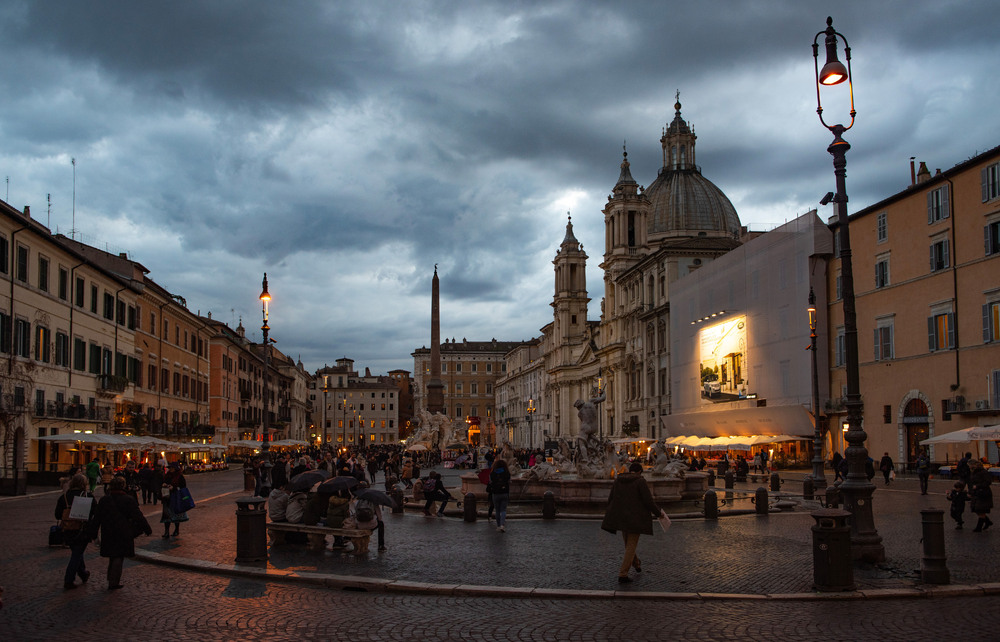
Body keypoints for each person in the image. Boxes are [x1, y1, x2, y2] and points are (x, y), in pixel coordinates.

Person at [601, 462, 663, 584]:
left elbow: (611, 498)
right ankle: (623, 574)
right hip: (636, 518)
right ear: (640, 471)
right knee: (631, 545)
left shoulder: (619, 480)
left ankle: (636, 564)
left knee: (628, 544)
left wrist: (611, 512)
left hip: (622, 517)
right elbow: (648, 501)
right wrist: (658, 513)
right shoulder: (640, 481)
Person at [89, 476, 152, 590]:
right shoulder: (128, 500)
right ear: (123, 486)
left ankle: (111, 578)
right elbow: (138, 516)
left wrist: (93, 533)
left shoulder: (104, 500)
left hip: (108, 531)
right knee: (118, 556)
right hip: (123, 531)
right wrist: (147, 528)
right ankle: (113, 582)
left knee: (113, 556)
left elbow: (97, 518)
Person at [54, 473, 94, 590]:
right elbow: (94, 512)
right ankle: (69, 579)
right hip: (82, 530)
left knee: (77, 552)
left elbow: (57, 514)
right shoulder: (87, 496)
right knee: (77, 554)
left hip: (67, 529)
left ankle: (83, 573)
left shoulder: (65, 497)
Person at [160, 462, 188, 538]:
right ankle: (166, 532)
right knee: (166, 516)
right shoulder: (167, 476)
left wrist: (174, 488)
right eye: (170, 468)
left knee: (176, 516)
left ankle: (176, 530)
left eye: (172, 468)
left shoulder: (180, 477)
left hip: (176, 498)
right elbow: (162, 483)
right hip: (167, 498)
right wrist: (164, 485)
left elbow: (183, 488)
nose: (171, 469)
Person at [969, 460, 994, 532]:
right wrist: (971, 491)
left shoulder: (983, 472)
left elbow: (988, 482)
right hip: (976, 493)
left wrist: (978, 486)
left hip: (983, 493)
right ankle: (987, 522)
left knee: (981, 509)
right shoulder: (973, 472)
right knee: (976, 509)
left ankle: (979, 527)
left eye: (969, 465)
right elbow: (971, 483)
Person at [490, 459, 512, 532]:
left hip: (495, 493)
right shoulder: (507, 473)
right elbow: (509, 481)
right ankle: (502, 525)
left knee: (497, 510)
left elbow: (490, 482)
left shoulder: (492, 473)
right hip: (504, 492)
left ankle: (498, 526)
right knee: (503, 510)